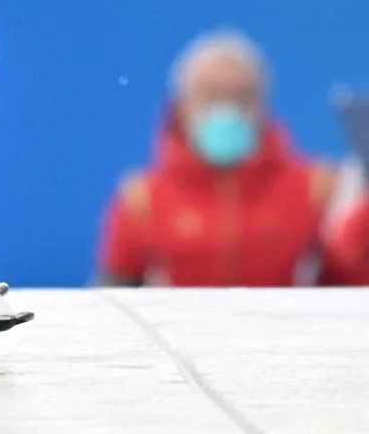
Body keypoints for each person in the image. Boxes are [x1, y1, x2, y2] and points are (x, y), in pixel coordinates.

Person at [96, 30, 335, 286]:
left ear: (263, 105)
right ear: (181, 105)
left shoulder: (318, 189)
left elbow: (352, 290)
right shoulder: (141, 199)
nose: (226, 108)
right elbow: (113, 298)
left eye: (242, 95)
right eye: (210, 94)